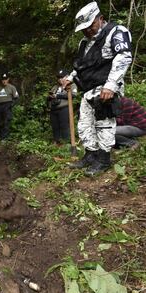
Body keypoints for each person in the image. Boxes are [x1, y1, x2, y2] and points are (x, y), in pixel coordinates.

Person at [62, 1, 132, 176]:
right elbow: (81, 66)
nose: (87, 30)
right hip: (88, 90)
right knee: (85, 124)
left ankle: (103, 159)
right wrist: (70, 78)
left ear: (100, 18)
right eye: (84, 28)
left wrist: (111, 85)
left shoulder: (116, 32)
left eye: (90, 25)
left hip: (105, 88)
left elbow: (123, 56)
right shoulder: (84, 43)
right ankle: (90, 155)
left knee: (103, 124)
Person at [47, 69, 77, 145]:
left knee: (64, 126)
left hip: (64, 108)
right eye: (58, 77)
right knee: (55, 126)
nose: (59, 79)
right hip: (54, 109)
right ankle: (56, 142)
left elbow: (73, 95)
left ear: (66, 77)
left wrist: (58, 95)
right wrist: (50, 97)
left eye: (61, 77)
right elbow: (49, 96)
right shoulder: (55, 87)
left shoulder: (71, 85)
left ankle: (66, 143)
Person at [0, 73, 19, 139]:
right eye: (3, 80)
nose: (4, 81)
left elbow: (16, 97)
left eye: (5, 79)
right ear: (1, 80)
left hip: (7, 105)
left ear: (8, 79)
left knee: (6, 122)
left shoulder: (12, 87)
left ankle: (4, 137)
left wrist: (11, 105)